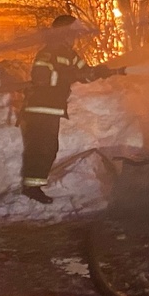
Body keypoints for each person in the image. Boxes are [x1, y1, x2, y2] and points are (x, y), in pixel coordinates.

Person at [19, 15, 125, 203]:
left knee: (49, 147)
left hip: (52, 108)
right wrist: (65, 76)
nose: (74, 39)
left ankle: (34, 185)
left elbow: (83, 73)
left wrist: (98, 72)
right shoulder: (48, 52)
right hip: (39, 107)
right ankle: (31, 188)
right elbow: (41, 76)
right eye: (72, 34)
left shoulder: (70, 54)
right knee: (41, 148)